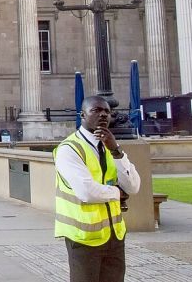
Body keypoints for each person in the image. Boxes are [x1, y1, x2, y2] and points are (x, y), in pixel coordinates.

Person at [54, 95, 140, 282]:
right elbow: (86, 191)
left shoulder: (110, 147)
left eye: (107, 112)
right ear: (82, 115)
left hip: (114, 236)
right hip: (84, 238)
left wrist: (116, 150)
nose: (103, 115)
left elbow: (133, 186)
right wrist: (118, 193)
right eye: (96, 110)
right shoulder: (69, 149)